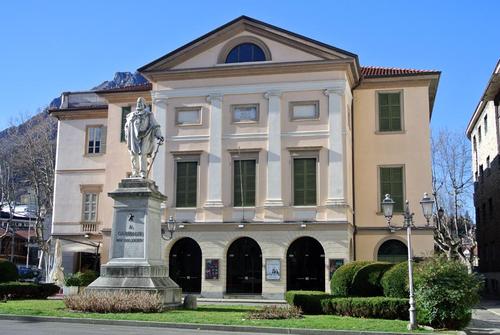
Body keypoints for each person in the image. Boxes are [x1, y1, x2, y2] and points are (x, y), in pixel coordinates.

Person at [124, 97, 164, 178]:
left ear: (144, 105)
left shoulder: (148, 115)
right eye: (138, 103)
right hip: (133, 137)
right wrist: (127, 137)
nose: (139, 104)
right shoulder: (131, 115)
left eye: (141, 103)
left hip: (145, 136)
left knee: (143, 154)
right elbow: (126, 127)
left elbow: (155, 126)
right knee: (133, 154)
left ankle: (143, 172)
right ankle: (135, 172)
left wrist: (159, 135)